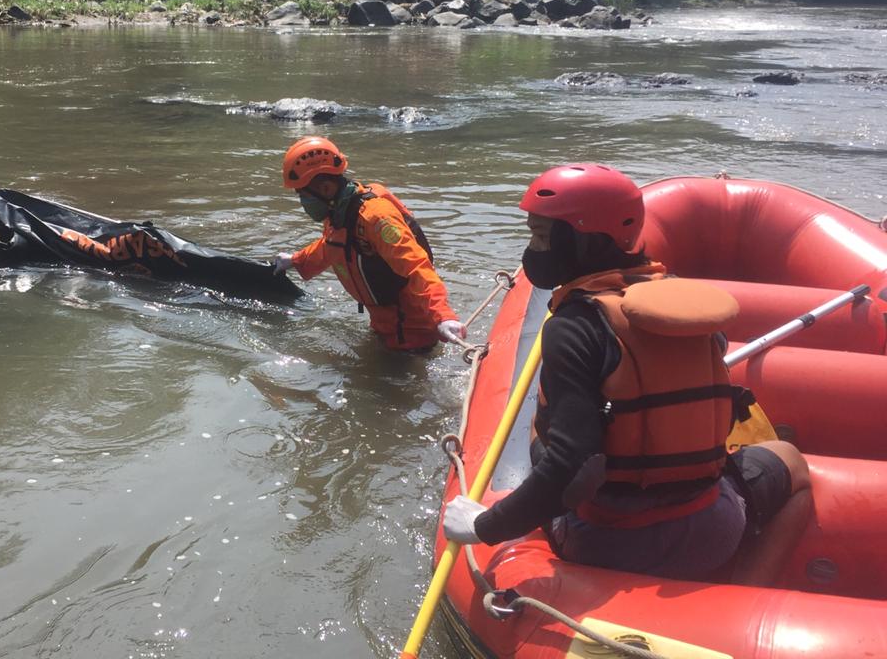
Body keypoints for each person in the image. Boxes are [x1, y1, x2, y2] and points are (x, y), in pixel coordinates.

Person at [442, 163, 813, 585]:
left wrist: (484, 526)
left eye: (542, 236)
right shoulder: (681, 303)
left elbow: (569, 461)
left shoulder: (574, 327)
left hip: (604, 543)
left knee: (539, 429)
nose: (533, 249)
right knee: (791, 462)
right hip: (713, 531)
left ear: (581, 240)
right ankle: (748, 590)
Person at [272, 136, 464, 353]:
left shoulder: (376, 218)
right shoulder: (340, 212)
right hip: (384, 323)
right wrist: (296, 260)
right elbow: (332, 247)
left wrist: (443, 315)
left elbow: (416, 267)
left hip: (410, 334)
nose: (303, 203)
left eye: (303, 195)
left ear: (325, 188)